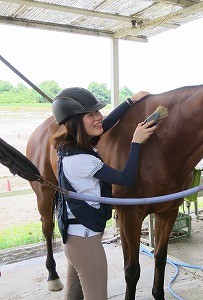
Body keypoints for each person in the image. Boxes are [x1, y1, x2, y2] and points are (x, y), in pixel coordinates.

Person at [51, 87, 156, 300]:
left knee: (74, 296)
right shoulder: (83, 160)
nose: (99, 117)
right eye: (91, 114)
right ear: (75, 121)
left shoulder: (70, 145)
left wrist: (129, 101)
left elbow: (104, 126)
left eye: (98, 111)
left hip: (73, 239)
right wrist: (136, 142)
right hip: (86, 242)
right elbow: (127, 179)